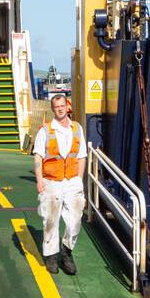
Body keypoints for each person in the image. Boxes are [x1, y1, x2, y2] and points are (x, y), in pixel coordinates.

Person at [33, 92, 86, 275]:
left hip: (72, 182)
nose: (60, 109)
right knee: (50, 220)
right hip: (51, 182)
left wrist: (79, 179)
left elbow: (81, 156)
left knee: (75, 221)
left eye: (62, 105)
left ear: (67, 106)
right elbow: (38, 156)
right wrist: (40, 181)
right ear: (53, 109)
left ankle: (66, 252)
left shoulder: (77, 128)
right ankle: (51, 257)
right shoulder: (45, 131)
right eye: (56, 107)